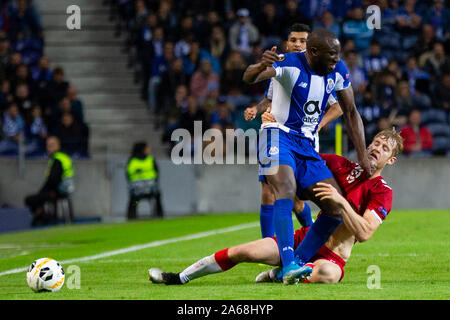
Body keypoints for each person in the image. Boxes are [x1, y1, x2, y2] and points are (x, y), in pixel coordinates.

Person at [149, 129, 403, 285]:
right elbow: (295, 161)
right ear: (367, 144)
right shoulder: (338, 164)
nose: (376, 149)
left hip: (333, 256)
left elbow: (365, 233)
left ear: (390, 160)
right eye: (376, 143)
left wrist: (341, 203)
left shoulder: (382, 192)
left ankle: (279, 275)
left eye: (384, 148)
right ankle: (178, 277)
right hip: (303, 238)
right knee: (243, 251)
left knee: (329, 274)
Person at [242, 28, 371, 284]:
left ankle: (293, 265)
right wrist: (259, 65)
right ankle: (287, 260)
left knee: (335, 207)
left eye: (338, 55)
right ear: (312, 53)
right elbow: (249, 77)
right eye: (331, 56)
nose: (336, 60)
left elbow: (351, 112)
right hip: (277, 135)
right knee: (283, 190)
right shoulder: (290, 63)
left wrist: (363, 156)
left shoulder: (338, 71)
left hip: (307, 145)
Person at [243, 23, 343, 239]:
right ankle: (269, 246)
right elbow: (270, 98)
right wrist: (258, 109)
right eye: (293, 40)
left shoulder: (322, 71)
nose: (297, 44)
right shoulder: (281, 66)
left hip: (303, 141)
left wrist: (319, 122)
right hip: (275, 137)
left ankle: (306, 234)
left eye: (303, 41)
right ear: (286, 43)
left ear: (313, 46)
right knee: (269, 192)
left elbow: (339, 104)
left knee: (296, 199)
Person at [24, 136, 74, 226]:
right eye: (48, 145)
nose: (49, 148)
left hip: (58, 190)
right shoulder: (62, 157)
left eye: (51, 145)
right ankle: (43, 215)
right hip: (65, 189)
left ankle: (45, 218)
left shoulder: (58, 159)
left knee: (30, 199)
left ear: (58, 145)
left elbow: (53, 179)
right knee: (38, 198)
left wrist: (44, 191)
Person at [126, 142, 163, 219]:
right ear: (143, 149)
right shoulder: (150, 159)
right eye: (147, 148)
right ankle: (159, 215)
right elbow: (157, 174)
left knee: (135, 201)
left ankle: (131, 216)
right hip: (151, 191)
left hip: (136, 192)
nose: (149, 149)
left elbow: (127, 176)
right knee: (157, 196)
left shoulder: (131, 161)